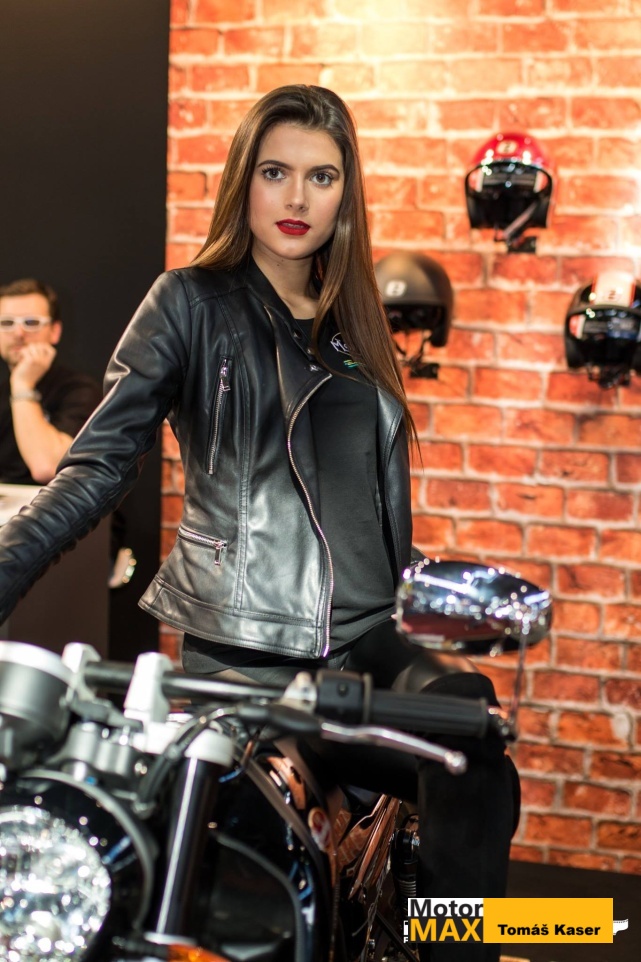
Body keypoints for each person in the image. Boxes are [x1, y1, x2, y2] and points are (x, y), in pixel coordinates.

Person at [0, 86, 517, 959]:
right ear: (244, 180)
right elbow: (96, 467)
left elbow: (363, 514)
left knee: (475, 740)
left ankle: (455, 946)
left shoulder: (355, 322)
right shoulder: (190, 302)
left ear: (345, 193)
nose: (297, 197)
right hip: (246, 654)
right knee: (244, 860)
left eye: (322, 176)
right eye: (275, 172)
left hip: (368, 643)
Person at [0, 277, 102, 485]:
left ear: (55, 331)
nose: (18, 333)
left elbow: (46, 467)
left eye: (31, 323)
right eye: (7, 323)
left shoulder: (80, 391)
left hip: (55, 505)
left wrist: (23, 385)